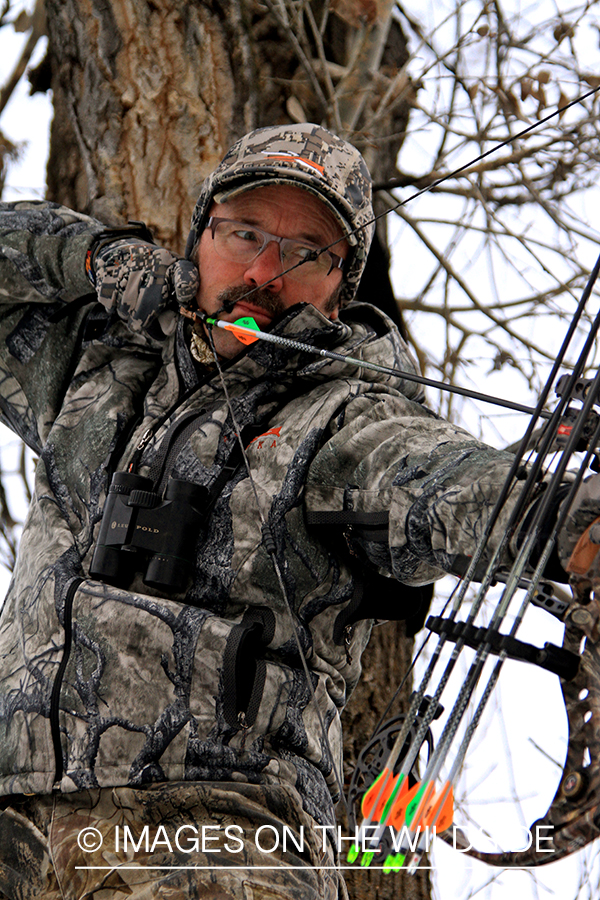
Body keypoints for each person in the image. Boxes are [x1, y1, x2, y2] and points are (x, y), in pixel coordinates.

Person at [0, 123, 594, 900]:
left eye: (307, 251)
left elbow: (451, 485)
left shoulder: (346, 420)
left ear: (341, 289)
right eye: (243, 232)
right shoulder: (95, 363)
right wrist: (94, 257)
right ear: (199, 237)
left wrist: (569, 529)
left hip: (223, 836)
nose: (265, 272)